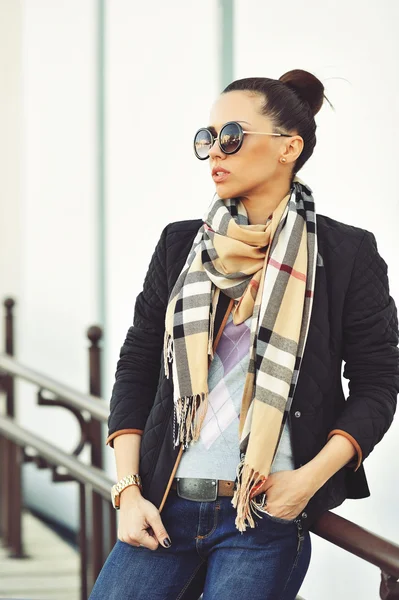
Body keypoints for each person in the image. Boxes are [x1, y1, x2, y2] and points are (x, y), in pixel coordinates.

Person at [89, 69, 399, 600]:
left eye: (231, 136)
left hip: (261, 517)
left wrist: (308, 481)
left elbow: (379, 383)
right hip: (163, 504)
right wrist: (127, 491)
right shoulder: (181, 245)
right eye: (206, 138)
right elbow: (138, 366)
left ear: (288, 148)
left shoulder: (346, 255)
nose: (215, 151)